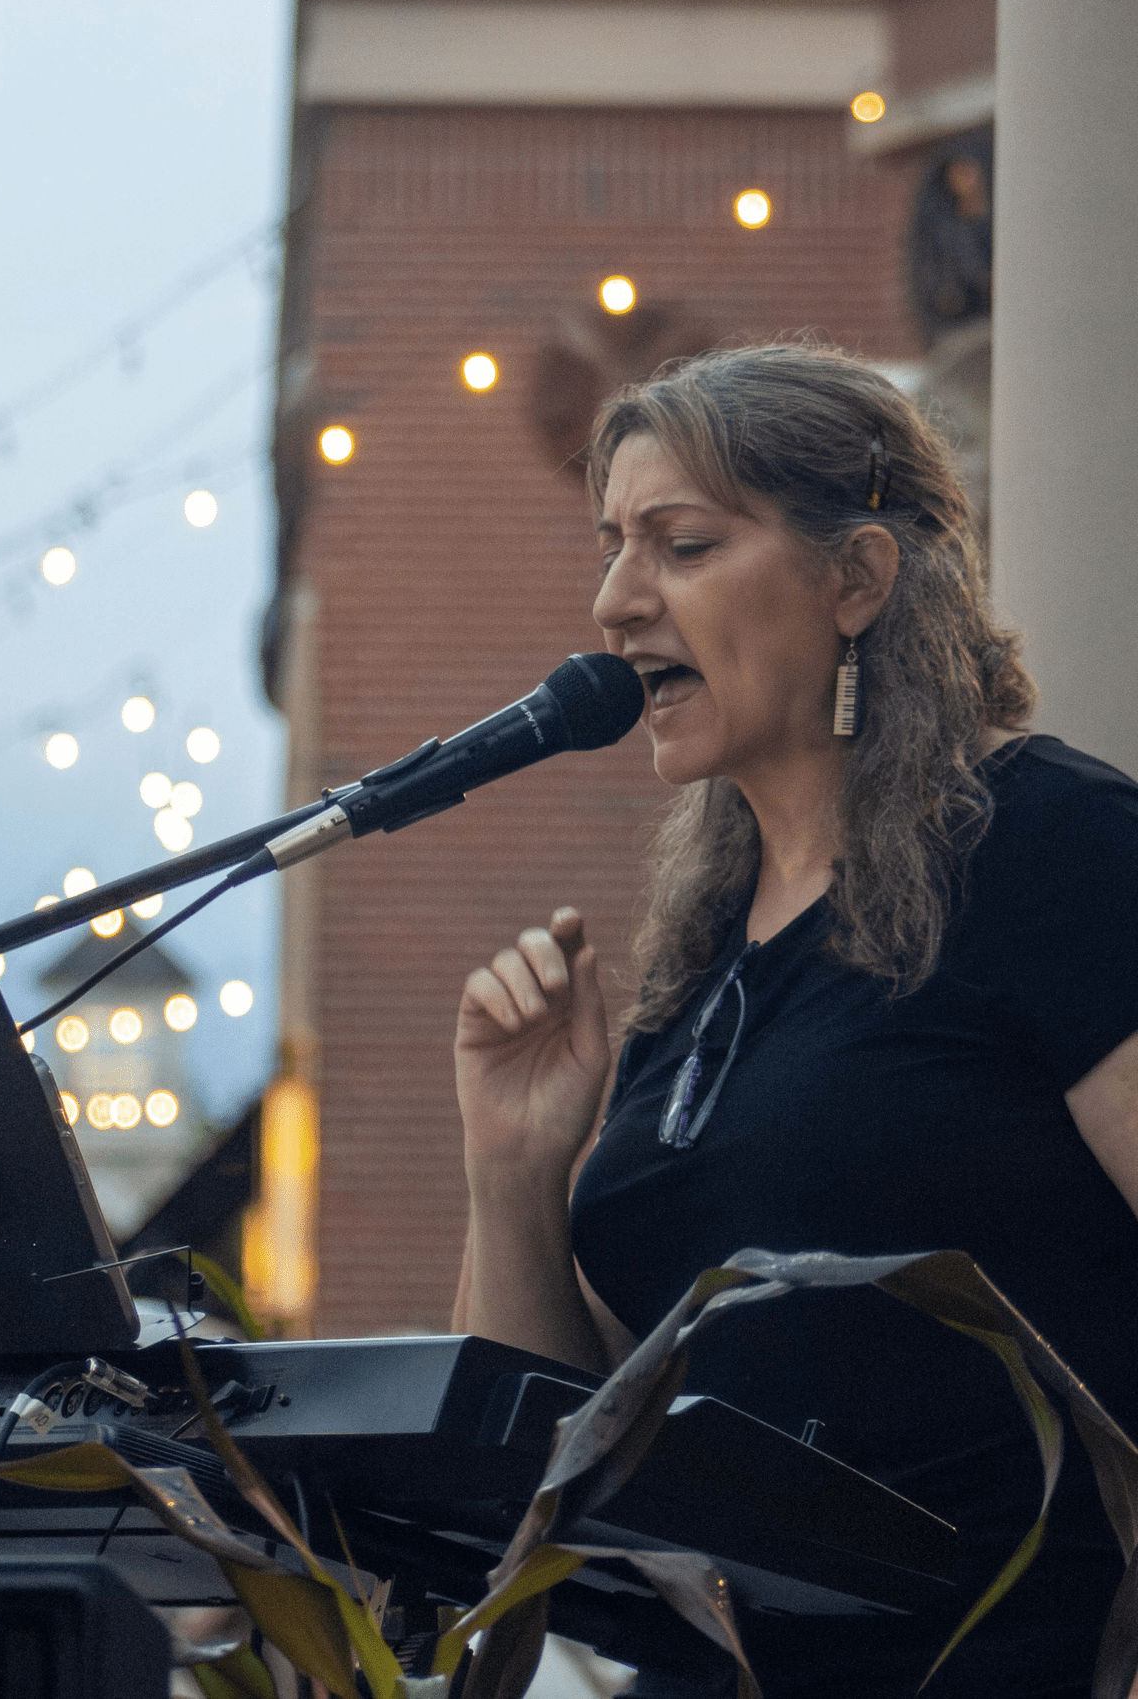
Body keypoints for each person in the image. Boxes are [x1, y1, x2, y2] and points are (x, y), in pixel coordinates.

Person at [450, 342, 1138, 1698]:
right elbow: (549, 1457)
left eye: (681, 544)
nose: (614, 602)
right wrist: (515, 1175)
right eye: (611, 548)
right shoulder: (705, 958)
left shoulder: (1060, 850)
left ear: (857, 580)